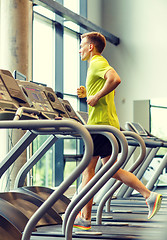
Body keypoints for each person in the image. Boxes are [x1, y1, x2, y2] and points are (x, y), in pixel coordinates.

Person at [73, 32, 162, 230]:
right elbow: (106, 88)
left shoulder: (96, 62)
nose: (79, 49)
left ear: (90, 47)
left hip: (99, 126)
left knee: (88, 171)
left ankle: (85, 218)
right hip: (108, 124)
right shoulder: (96, 65)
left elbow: (115, 79)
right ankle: (149, 196)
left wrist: (94, 97)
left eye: (82, 45)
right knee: (111, 169)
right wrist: (89, 94)